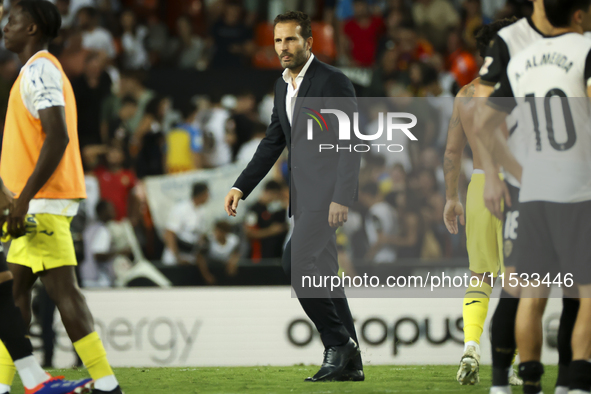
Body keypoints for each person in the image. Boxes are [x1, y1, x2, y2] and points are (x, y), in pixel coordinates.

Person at [224, 11, 362, 382]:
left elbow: (351, 144)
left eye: (290, 40)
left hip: (327, 198)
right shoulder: (281, 85)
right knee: (326, 279)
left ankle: (337, 343)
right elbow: (273, 141)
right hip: (303, 199)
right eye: (277, 41)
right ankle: (353, 362)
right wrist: (241, 186)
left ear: (309, 43)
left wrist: (342, 197)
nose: (283, 48)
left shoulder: (334, 82)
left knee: (295, 265)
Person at [0, 2, 122, 393]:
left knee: (62, 289)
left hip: (42, 201)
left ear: (32, 28)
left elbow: (58, 137)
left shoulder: (39, 70)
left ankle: (106, 383)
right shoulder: (33, 71)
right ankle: (4, 384)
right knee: (13, 293)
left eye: (12, 20)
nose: (5, 26)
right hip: (33, 200)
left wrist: (23, 199)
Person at [475, 1, 591, 392]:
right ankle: (568, 382)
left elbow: (485, 119)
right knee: (576, 290)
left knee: (533, 290)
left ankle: (532, 384)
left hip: (535, 186)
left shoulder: (528, 57)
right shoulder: (581, 46)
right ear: (578, 13)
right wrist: (496, 173)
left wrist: (512, 169)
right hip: (571, 185)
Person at [442, 17, 522, 387]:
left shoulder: (465, 94)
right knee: (517, 279)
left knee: (479, 276)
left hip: (476, 187)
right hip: (516, 186)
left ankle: (470, 346)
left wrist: (450, 198)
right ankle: (518, 360)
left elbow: (452, 152)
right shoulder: (523, 87)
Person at [162, 183, 210, 266]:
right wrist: (177, 257)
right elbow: (169, 234)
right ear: (201, 194)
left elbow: (199, 235)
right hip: (175, 257)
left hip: (190, 256)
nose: (208, 197)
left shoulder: (202, 211)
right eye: (207, 194)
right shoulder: (181, 208)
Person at [243, 180, 288, 263]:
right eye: (276, 195)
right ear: (268, 192)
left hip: (273, 256)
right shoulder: (253, 210)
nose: (276, 198)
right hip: (259, 257)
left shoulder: (270, 209)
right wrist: (270, 231)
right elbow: (249, 233)